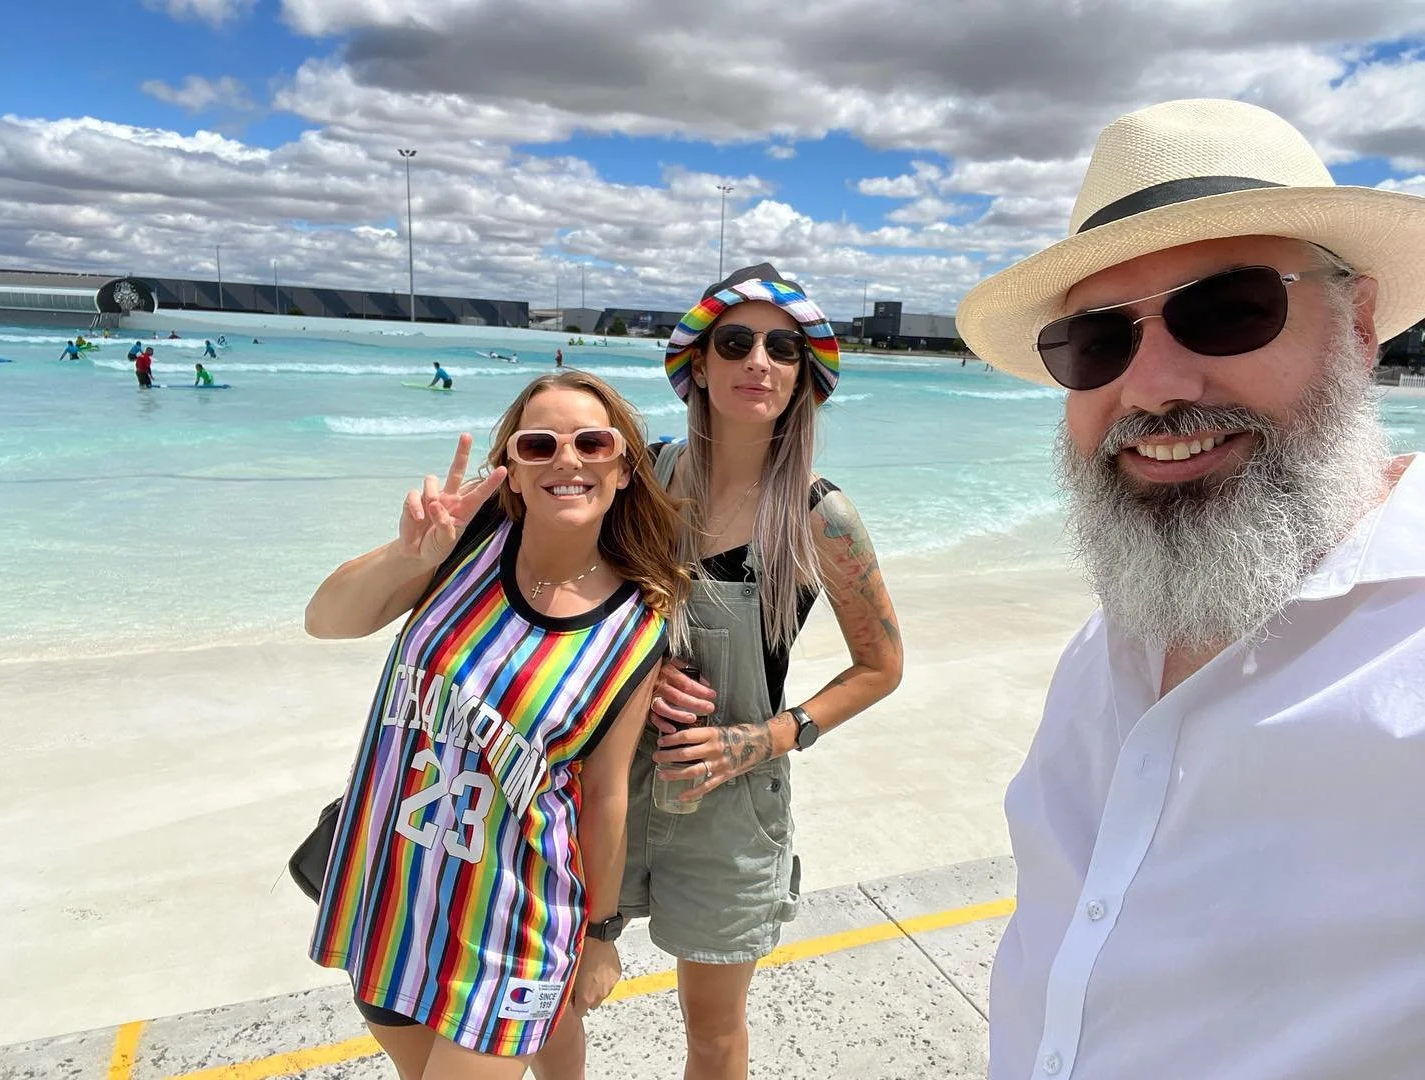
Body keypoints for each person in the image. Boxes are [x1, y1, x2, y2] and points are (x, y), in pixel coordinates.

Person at [954, 98, 1425, 1080]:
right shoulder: (1106, 647)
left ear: (1361, 324)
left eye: (1229, 308)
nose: (1156, 386)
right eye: (1096, 340)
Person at [535, 264, 904, 1080]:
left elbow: (881, 666)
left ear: (805, 378)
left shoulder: (821, 518)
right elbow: (558, 592)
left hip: (730, 816)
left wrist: (767, 737)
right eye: (735, 342)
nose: (758, 362)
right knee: (555, 995)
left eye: (783, 348)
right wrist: (637, 670)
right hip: (602, 785)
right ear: (698, 364)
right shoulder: (644, 481)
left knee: (712, 1032)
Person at [304, 370, 689, 1080]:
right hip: (392, 891)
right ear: (511, 471)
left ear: (625, 467)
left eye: (591, 442)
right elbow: (325, 622)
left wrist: (602, 937)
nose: (566, 460)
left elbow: (604, 796)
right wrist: (404, 555)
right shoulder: (462, 542)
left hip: (514, 926)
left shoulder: (636, 629)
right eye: (539, 445)